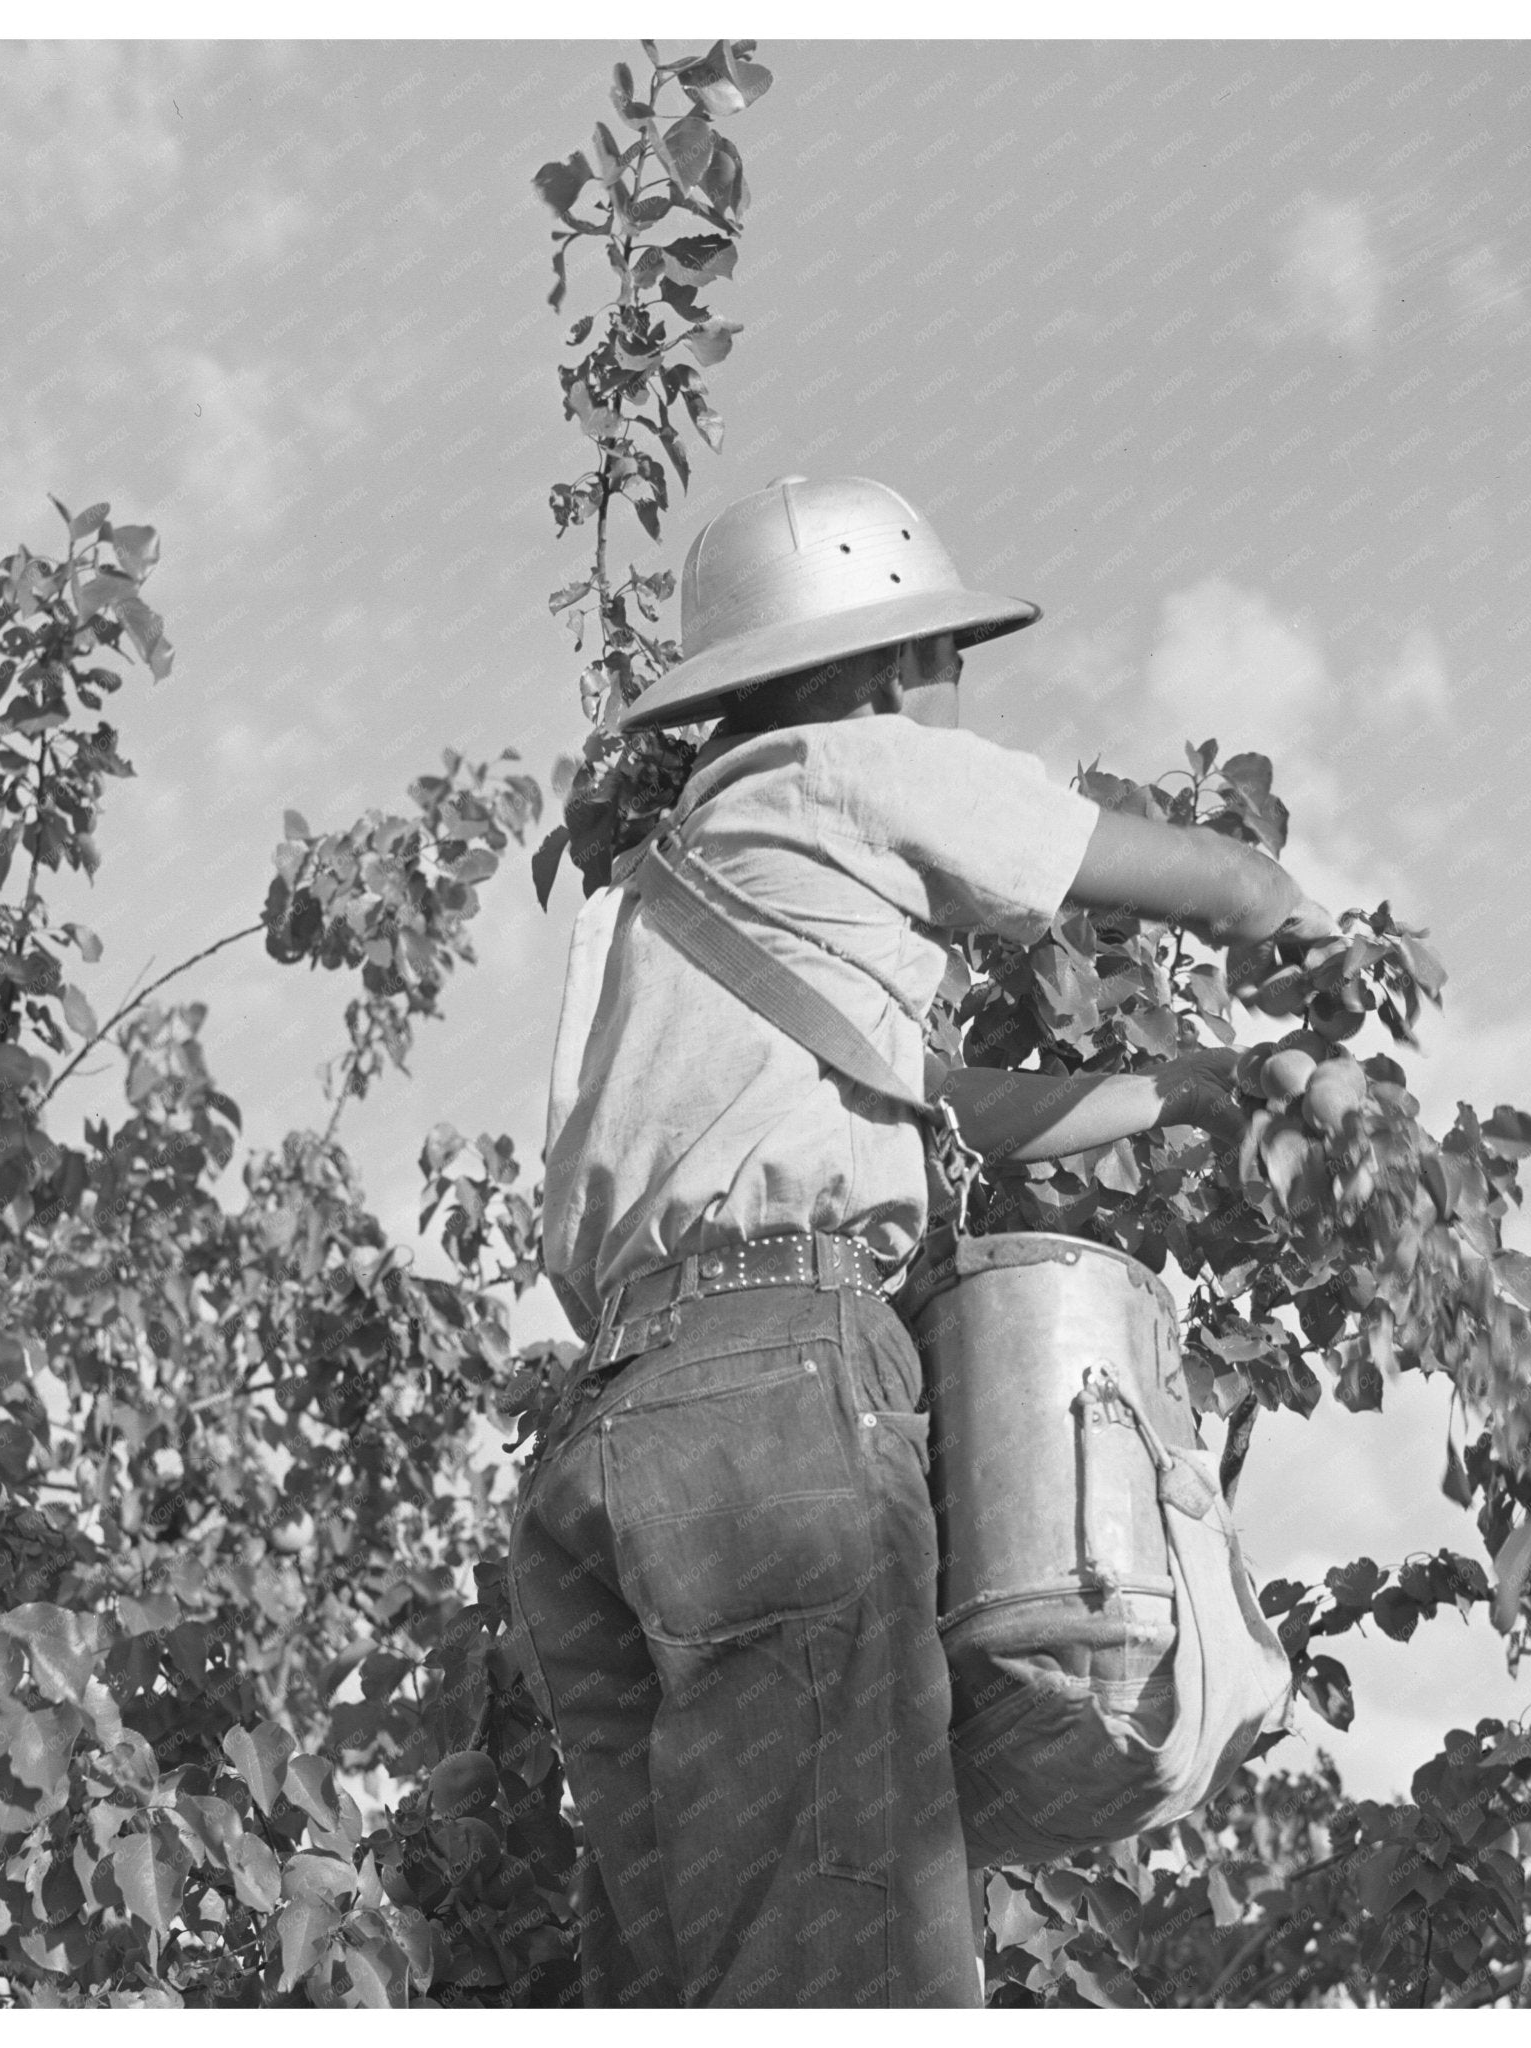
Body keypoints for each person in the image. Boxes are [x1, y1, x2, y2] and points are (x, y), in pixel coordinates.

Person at [506, 476, 1332, 2007]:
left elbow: (943, 1103)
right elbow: (1214, 883)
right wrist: (1295, 919)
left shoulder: (672, 891)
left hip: (608, 1442)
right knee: (857, 1951)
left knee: (686, 1970)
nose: (954, 703)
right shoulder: (858, 765)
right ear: (891, 669)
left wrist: (1189, 1092)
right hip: (774, 1405)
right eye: (946, 665)